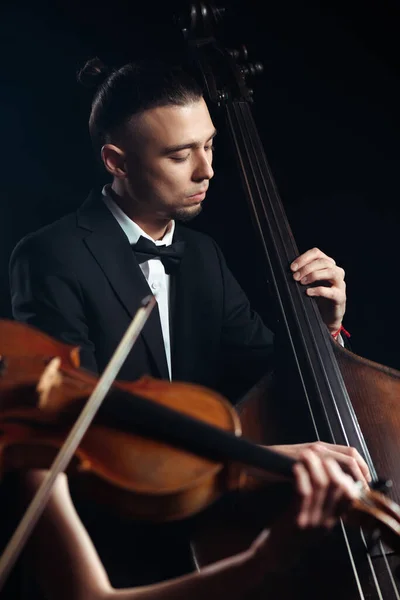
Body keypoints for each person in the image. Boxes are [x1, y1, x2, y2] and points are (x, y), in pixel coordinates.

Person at [8, 58, 370, 598]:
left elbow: (266, 376)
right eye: (180, 155)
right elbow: (81, 423)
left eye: (209, 146)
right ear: (117, 161)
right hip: (109, 544)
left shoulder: (203, 256)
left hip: (212, 531)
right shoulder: (50, 256)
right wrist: (261, 459)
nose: (207, 170)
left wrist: (325, 328)